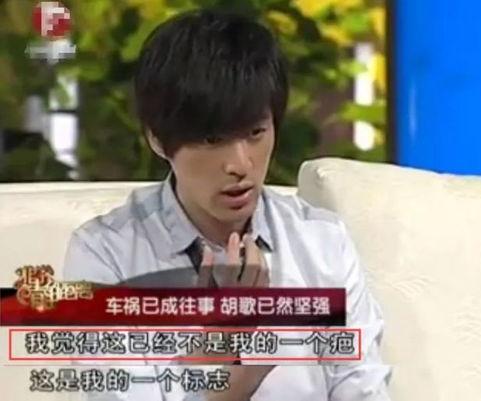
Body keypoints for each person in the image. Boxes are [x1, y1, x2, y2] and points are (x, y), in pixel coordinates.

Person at [64, 8, 392, 401]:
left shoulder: (321, 241)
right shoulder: (105, 255)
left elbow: (363, 389)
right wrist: (230, 359)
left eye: (255, 132)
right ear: (157, 139)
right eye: (212, 139)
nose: (240, 164)